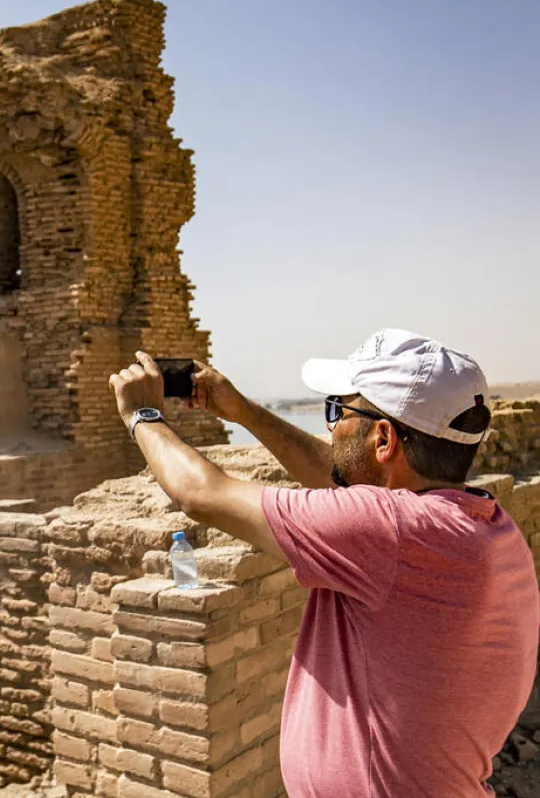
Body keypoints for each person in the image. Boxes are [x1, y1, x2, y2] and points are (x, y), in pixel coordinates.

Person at [109, 330, 539, 798]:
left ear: (383, 438)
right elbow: (345, 482)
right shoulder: (483, 526)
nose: (331, 426)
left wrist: (142, 414)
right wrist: (242, 411)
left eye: (338, 411)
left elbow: (202, 494)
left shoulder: (390, 532)